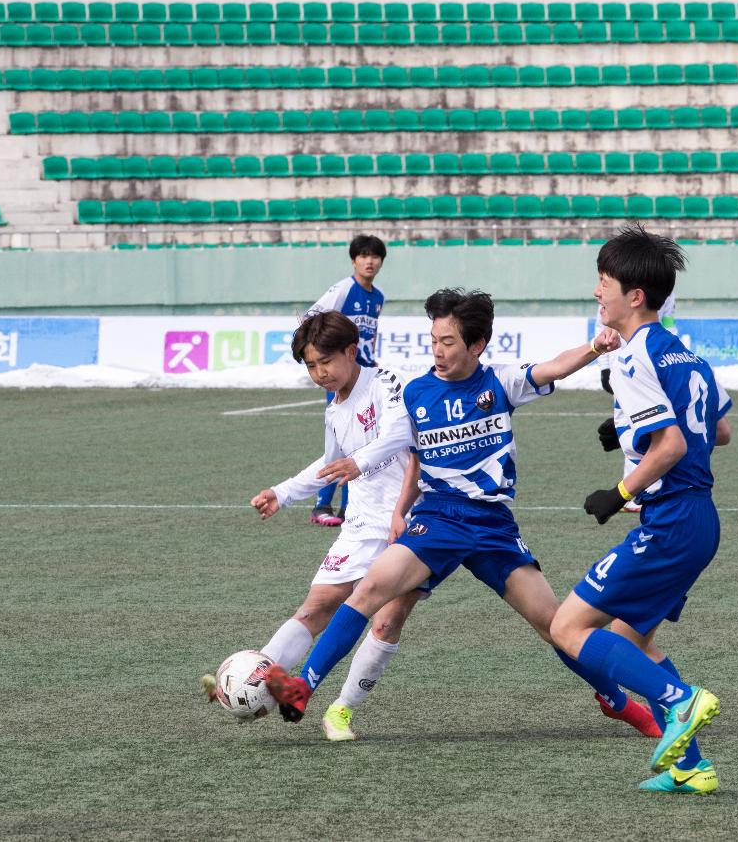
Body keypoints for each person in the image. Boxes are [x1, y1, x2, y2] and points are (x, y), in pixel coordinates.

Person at [264, 288, 661, 738]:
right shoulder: (415, 392)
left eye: (448, 341)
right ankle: (305, 687)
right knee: (370, 590)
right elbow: (402, 447)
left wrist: (594, 347)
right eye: (434, 340)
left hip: (491, 524)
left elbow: (554, 365)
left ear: (476, 345)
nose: (438, 350)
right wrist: (396, 503)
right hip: (437, 518)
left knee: (556, 626)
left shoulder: (500, 382)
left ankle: (615, 699)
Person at [549, 225, 732, 795]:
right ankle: (691, 766)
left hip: (671, 521)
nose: (596, 293)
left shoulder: (633, 358)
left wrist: (620, 491)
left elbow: (672, 445)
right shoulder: (688, 354)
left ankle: (680, 700)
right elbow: (718, 431)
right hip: (700, 520)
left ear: (634, 296)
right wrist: (629, 427)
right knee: (636, 641)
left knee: (568, 627)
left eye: (603, 283)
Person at [230, 310, 420, 741]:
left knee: (388, 619)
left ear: (351, 351)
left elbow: (399, 435)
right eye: (311, 366)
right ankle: (255, 683)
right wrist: (282, 492)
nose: (320, 373)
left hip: (408, 520)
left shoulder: (388, 382)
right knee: (314, 608)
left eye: (325, 362)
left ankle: (342, 710)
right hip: (358, 525)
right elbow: (329, 464)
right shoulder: (334, 409)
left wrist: (360, 462)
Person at [304, 234, 387, 527]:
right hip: (342, 378)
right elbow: (310, 316)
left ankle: (349, 508)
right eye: (363, 256)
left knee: (363, 442)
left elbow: (368, 333)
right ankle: (321, 505)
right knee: (342, 443)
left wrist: (371, 356)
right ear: (353, 260)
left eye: (375, 256)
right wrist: (323, 356)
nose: (369, 261)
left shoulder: (377, 297)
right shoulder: (343, 289)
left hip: (364, 376)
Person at [596, 291, 679, 513]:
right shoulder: (617, 284)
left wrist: (672, 345)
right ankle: (637, 490)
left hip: (652, 357)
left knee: (651, 423)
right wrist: (604, 366)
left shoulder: (664, 286)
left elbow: (669, 319)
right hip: (622, 361)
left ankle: (642, 488)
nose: (598, 291)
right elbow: (602, 326)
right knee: (632, 424)